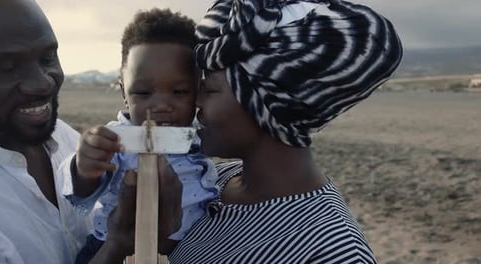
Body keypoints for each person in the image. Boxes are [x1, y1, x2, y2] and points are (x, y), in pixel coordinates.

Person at [94, 0, 403, 263]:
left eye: (209, 90)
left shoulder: (331, 252)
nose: (195, 102)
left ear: (271, 103)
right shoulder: (211, 181)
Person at [64, 9, 219, 263]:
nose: (160, 105)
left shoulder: (198, 136)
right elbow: (82, 191)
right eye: (143, 93)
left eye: (179, 91)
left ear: (198, 91)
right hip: (115, 249)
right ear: (124, 91)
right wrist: (84, 166)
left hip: (184, 250)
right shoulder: (118, 140)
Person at [0, 0, 91, 262]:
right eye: (8, 67)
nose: (42, 83)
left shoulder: (69, 141)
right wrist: (116, 244)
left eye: (47, 58)